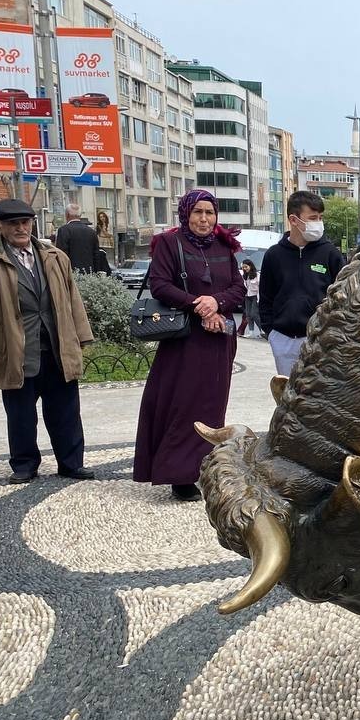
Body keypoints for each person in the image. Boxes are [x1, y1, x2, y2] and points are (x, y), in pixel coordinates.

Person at [0, 199, 96, 484]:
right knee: (20, 413)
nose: (21, 228)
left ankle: (71, 462)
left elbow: (72, 298)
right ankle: (24, 464)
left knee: (66, 409)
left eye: (25, 222)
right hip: (14, 347)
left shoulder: (54, 255)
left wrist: (82, 336)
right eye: (14, 223)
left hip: (57, 344)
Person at [133, 189, 245, 502]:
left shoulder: (224, 246)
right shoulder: (170, 243)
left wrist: (216, 302)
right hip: (184, 339)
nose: (204, 219)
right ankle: (179, 474)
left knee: (212, 404)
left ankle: (204, 467)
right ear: (186, 214)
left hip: (219, 337)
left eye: (209, 213)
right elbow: (160, 284)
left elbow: (237, 287)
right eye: (198, 212)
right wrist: (200, 305)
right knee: (181, 403)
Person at [259, 190, 344, 377]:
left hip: (320, 341)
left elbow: (343, 299)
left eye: (320, 217)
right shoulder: (274, 255)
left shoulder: (331, 254)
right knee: (288, 399)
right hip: (283, 340)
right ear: (294, 220)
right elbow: (265, 298)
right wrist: (272, 333)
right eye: (313, 218)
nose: (318, 223)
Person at [55, 202, 108, 275]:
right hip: (89, 276)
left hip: (71, 275)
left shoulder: (63, 230)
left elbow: (61, 254)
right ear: (80, 215)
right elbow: (96, 255)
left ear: (67, 215)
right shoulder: (91, 232)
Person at [238, 259, 261, 338]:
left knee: (254, 314)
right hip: (247, 296)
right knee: (248, 315)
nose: (245, 268)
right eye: (243, 267)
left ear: (250, 266)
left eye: (246, 267)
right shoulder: (244, 276)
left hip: (255, 296)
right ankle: (251, 333)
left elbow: (260, 288)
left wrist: (258, 299)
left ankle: (263, 331)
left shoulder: (257, 275)